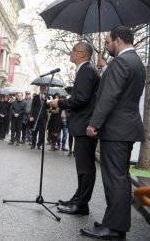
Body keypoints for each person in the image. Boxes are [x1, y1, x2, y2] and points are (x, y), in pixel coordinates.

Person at [80, 27, 145, 240]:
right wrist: (107, 69)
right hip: (125, 128)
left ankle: (114, 229)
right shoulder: (136, 62)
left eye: (107, 42)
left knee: (115, 180)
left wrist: (94, 123)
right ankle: (113, 222)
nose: (106, 46)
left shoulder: (121, 62)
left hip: (116, 130)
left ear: (118, 40)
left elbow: (110, 96)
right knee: (120, 178)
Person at [48, 42, 99, 216]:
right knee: (82, 167)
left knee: (85, 167)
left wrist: (60, 102)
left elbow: (82, 99)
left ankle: (81, 204)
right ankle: (78, 199)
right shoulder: (85, 70)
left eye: (74, 50)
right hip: (83, 124)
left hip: (85, 125)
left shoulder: (86, 70)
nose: (71, 53)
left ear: (83, 54)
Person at [30, 85, 48, 150]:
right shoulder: (35, 97)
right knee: (34, 131)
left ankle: (39, 144)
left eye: (44, 89)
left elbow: (48, 107)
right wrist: (31, 116)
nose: (43, 90)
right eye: (42, 89)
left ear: (45, 90)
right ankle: (33, 144)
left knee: (42, 132)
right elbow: (32, 107)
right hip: (36, 117)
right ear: (40, 89)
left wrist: (47, 102)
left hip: (43, 118)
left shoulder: (46, 98)